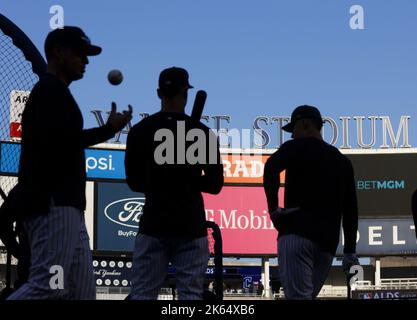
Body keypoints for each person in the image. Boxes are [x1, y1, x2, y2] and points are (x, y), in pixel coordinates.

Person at [7, 26, 132, 300]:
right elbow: (63, 143)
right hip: (53, 205)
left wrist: (108, 130)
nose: (85, 61)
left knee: (81, 293)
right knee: (48, 287)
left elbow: (65, 141)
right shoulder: (49, 91)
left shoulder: (58, 93)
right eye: (80, 54)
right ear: (57, 52)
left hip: (69, 209)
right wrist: (107, 131)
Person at [125, 67, 224, 300]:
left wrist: (162, 177)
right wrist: (187, 178)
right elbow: (215, 184)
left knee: (142, 295)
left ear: (159, 93)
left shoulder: (140, 131)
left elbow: (134, 182)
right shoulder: (201, 133)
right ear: (185, 93)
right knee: (190, 296)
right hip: (190, 225)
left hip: (153, 224)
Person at [263, 105, 359, 300]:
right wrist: (349, 250)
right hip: (327, 243)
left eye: (294, 129)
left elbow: (271, 168)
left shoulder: (295, 147)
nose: (292, 135)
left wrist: (273, 209)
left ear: (305, 124)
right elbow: (350, 209)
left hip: (296, 234)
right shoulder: (342, 161)